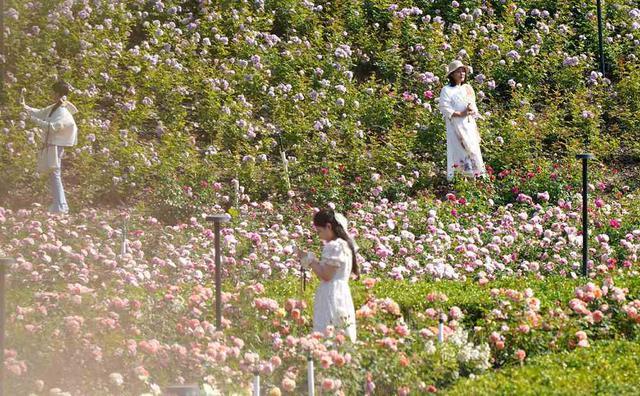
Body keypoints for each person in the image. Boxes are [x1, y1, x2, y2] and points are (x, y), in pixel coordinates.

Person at [299, 209, 358, 342]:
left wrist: (310, 260)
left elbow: (326, 275)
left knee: (329, 326)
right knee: (341, 326)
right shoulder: (345, 245)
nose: (319, 236)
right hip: (342, 291)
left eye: (319, 231)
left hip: (331, 292)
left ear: (329, 227)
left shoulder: (334, 246)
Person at [21, 80, 78, 214]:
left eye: (53, 92)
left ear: (57, 93)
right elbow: (40, 112)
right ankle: (60, 205)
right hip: (52, 145)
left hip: (55, 145)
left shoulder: (63, 112)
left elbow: (52, 128)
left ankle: (61, 207)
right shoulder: (55, 107)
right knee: (54, 174)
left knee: (55, 174)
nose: (51, 94)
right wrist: (25, 107)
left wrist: (32, 120)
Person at [438, 60, 486, 181]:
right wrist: (460, 113)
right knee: (460, 152)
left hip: (468, 124)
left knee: (473, 149)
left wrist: (471, 109)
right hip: (455, 125)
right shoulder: (447, 90)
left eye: (463, 71)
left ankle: (476, 179)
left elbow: (473, 105)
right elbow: (444, 108)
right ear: (452, 74)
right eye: (459, 71)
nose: (462, 74)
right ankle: (463, 180)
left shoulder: (467, 88)